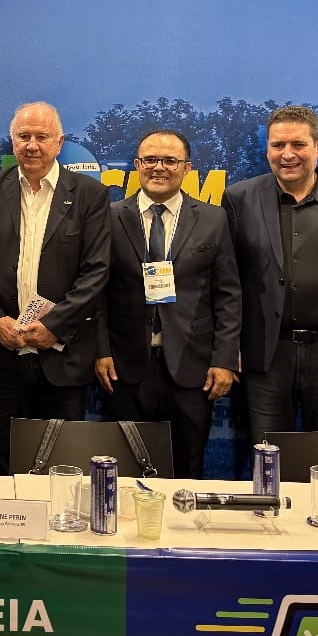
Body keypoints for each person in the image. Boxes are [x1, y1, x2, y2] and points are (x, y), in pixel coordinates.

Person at [0, 101, 110, 474]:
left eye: (41, 137)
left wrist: (54, 326)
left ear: (59, 143)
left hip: (62, 357)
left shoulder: (89, 195)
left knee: (62, 464)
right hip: (2, 352)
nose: (32, 145)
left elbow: (96, 272)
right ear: (12, 141)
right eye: (23, 136)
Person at [222, 105, 318, 444]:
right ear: (267, 148)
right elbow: (227, 280)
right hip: (266, 354)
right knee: (268, 457)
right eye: (277, 145)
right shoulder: (239, 199)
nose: (287, 154)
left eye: (298, 145)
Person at [95, 130, 241, 478]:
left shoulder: (213, 218)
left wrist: (224, 359)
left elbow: (228, 294)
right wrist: (99, 350)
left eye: (170, 161)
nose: (159, 167)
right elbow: (95, 292)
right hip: (125, 367)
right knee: (127, 470)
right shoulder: (108, 217)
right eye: (150, 159)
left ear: (187, 168)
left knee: (187, 468)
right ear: (137, 165)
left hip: (192, 368)